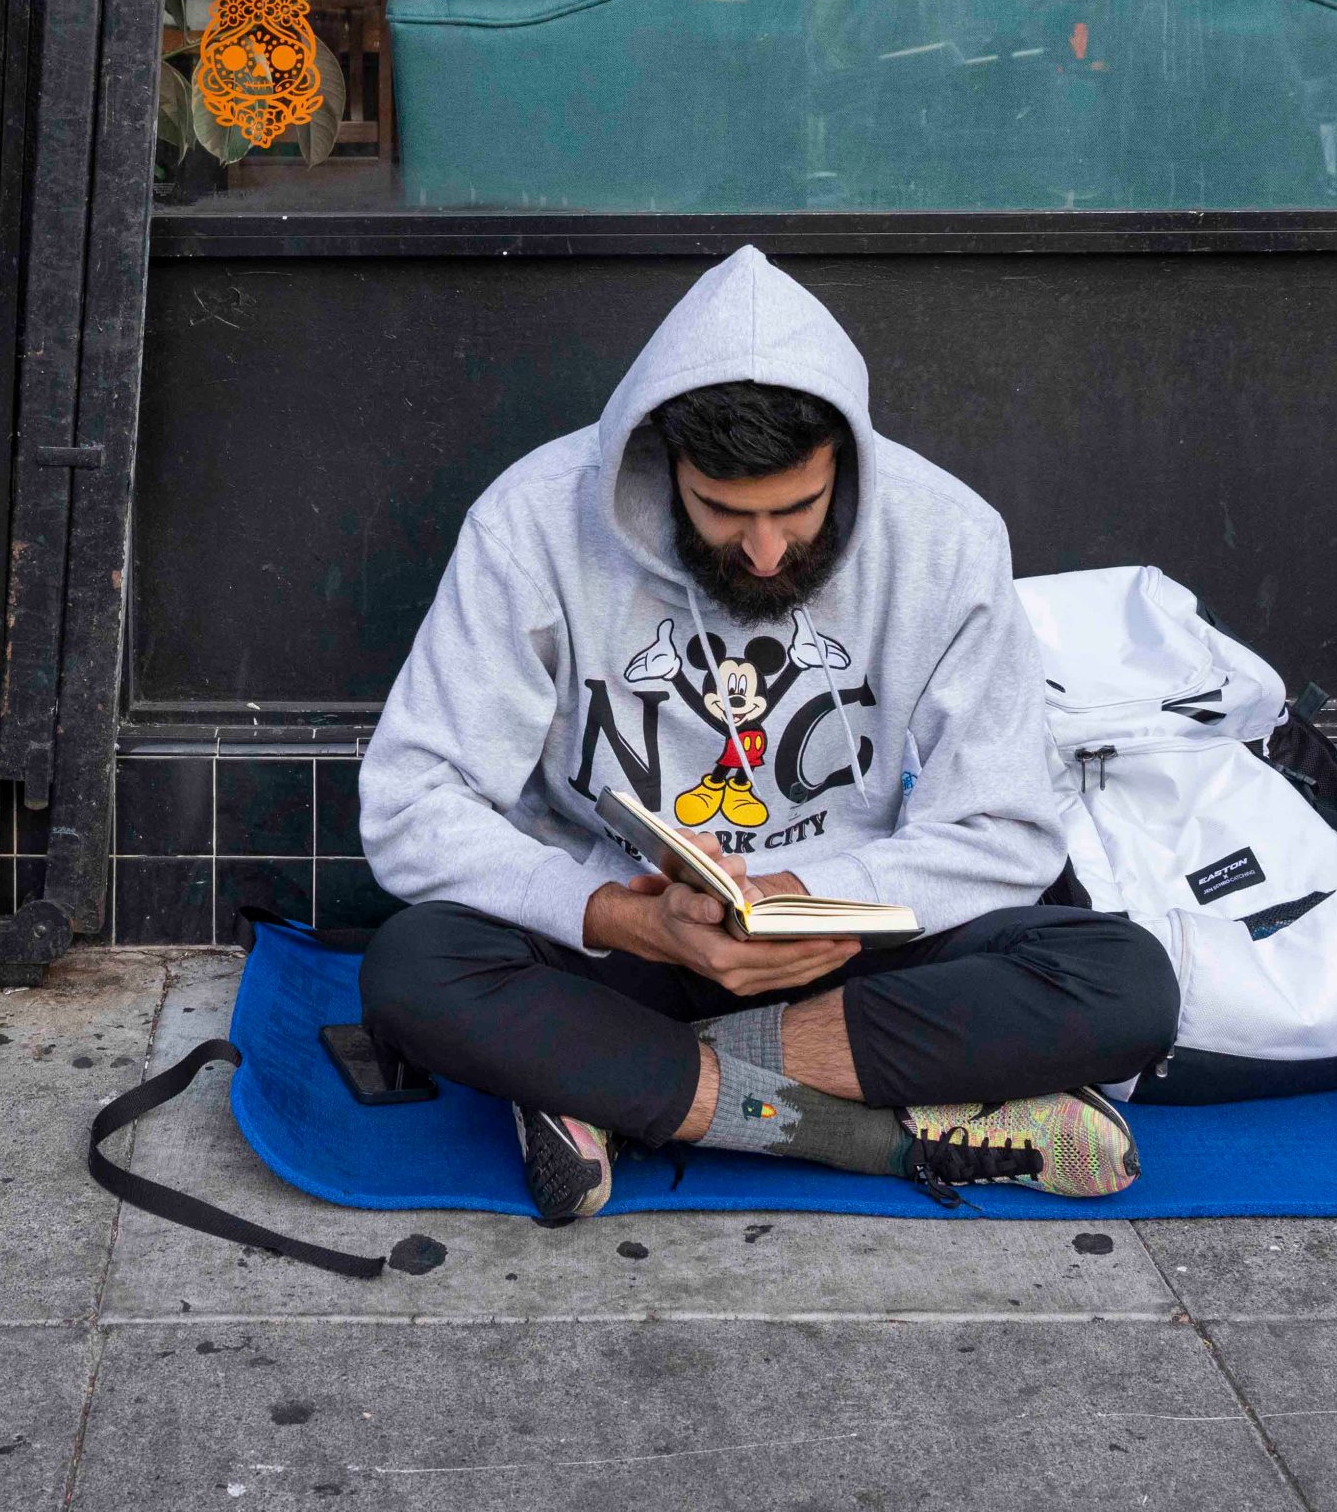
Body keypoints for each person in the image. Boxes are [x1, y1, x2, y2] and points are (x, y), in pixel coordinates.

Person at [356, 246, 1178, 1222]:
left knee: (1128, 982)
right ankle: (859, 1133)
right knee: (413, 965)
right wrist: (622, 914)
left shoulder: (947, 536)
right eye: (724, 511)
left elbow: (1007, 825)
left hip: (846, 947)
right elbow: (410, 801)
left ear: (849, 457)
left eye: (798, 506)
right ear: (661, 460)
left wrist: (827, 901)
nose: (765, 548)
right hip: (623, 946)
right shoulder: (530, 523)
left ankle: (602, 1078)